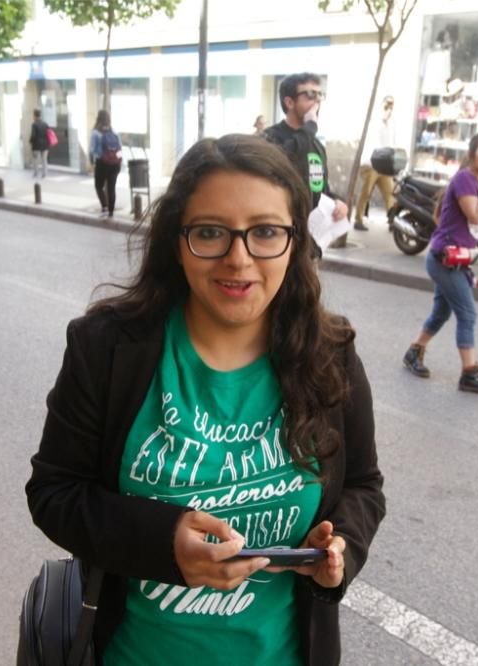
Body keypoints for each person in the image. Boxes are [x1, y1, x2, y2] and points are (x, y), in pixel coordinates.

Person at [26, 134, 385, 665]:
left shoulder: (329, 355)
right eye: (212, 232)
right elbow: (54, 492)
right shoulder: (107, 350)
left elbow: (362, 486)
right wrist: (162, 542)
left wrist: (341, 550)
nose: (238, 260)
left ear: (293, 240)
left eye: (265, 232)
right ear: (178, 239)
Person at [402, 132, 478, 394]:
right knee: (467, 313)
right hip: (444, 260)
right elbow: (475, 217)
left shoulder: (477, 182)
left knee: (441, 312)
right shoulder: (466, 180)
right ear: (472, 154)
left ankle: (414, 351)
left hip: (455, 259)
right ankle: (469, 373)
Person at [263, 73, 348, 234]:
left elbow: (320, 188)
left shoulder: (316, 144)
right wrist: (309, 128)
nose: (317, 101)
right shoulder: (270, 138)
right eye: (310, 95)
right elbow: (282, 159)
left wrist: (338, 202)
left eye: (319, 95)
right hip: (280, 233)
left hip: (312, 236)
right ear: (289, 102)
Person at [354, 95, 398, 231]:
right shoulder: (374, 123)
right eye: (386, 107)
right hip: (370, 163)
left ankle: (392, 221)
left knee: (390, 192)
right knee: (366, 192)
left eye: (391, 107)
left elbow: (390, 146)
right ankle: (358, 219)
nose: (388, 110)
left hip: (384, 165)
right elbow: (372, 144)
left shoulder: (391, 126)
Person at [90, 109, 122, 217]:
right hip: (114, 164)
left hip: (101, 164)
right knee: (111, 188)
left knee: (98, 185)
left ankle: (104, 206)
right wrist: (119, 162)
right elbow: (120, 149)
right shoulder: (114, 131)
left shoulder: (95, 132)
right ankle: (111, 211)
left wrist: (92, 162)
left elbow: (92, 150)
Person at [28, 109, 49, 179]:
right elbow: (48, 134)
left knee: (35, 159)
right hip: (45, 144)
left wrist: (30, 141)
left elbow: (33, 135)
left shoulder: (34, 124)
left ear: (34, 115)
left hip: (36, 145)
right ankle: (44, 174)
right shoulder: (45, 124)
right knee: (44, 160)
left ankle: (36, 173)